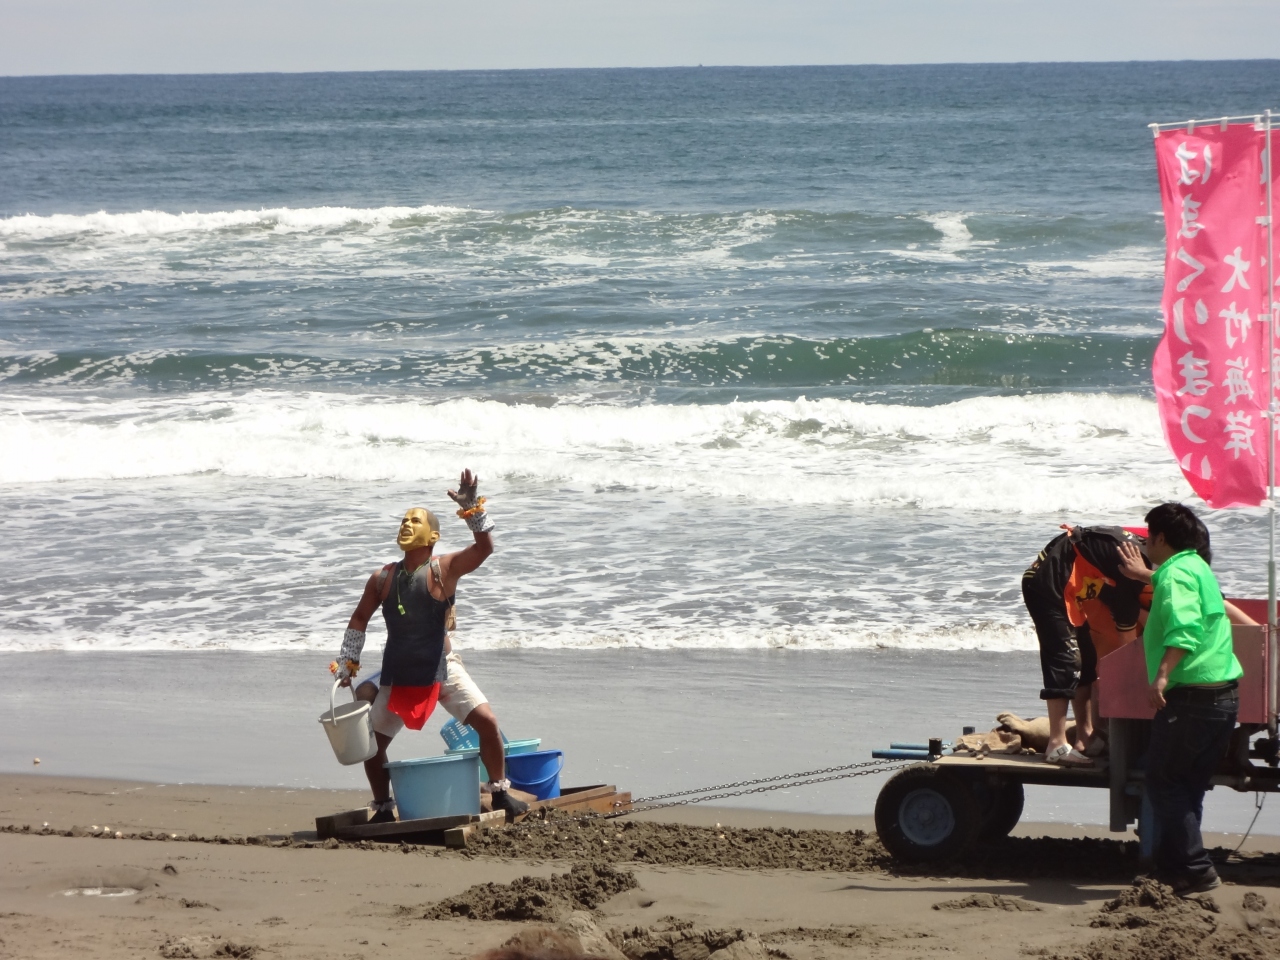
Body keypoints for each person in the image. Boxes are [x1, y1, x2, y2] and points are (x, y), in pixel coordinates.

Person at [331, 470, 528, 824]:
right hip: (401, 673)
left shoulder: (444, 569)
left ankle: (500, 792)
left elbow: (484, 548)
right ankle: (382, 807)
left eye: (416, 521)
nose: (407, 524)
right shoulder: (382, 578)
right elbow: (360, 617)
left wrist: (472, 509)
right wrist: (348, 660)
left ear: (433, 536)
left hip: (442, 665)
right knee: (372, 748)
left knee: (487, 723)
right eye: (405, 519)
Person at [1120, 502, 1242, 895]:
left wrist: (1161, 675)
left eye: (1146, 537)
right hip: (1223, 696)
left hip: (1191, 696)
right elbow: (1187, 599)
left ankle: (1198, 869)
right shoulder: (1198, 568)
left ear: (1160, 538)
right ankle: (1177, 868)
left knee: (1163, 781)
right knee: (1188, 785)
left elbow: (1184, 626)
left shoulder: (1174, 575)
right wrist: (1150, 576)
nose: (1143, 544)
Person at [1021, 525, 1149, 766]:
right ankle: (1056, 744)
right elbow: (1125, 630)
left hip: (1074, 592)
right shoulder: (1135, 561)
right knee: (1066, 660)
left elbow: (1121, 603)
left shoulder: (1140, 551)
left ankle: (1085, 737)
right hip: (1047, 584)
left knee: (1087, 661)